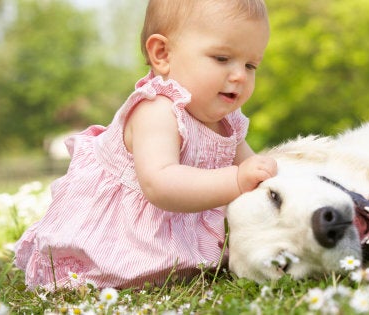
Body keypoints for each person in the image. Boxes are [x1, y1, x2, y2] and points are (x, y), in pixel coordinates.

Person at [14, 0, 276, 290]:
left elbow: (255, 171)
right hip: (116, 238)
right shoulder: (157, 110)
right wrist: (238, 180)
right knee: (102, 275)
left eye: (251, 65)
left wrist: (271, 178)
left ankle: (185, 263)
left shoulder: (229, 122)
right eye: (222, 58)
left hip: (172, 236)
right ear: (162, 54)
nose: (240, 75)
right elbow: (160, 184)